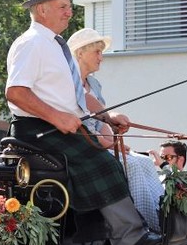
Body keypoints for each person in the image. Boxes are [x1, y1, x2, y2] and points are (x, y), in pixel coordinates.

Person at [5, 0, 161, 245]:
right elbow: (15, 92)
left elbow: (76, 92)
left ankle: (110, 242)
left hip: (59, 125)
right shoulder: (31, 43)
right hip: (37, 131)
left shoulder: (56, 44)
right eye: (63, 6)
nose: (69, 12)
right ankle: (129, 240)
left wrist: (107, 115)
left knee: (108, 161)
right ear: (42, 10)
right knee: (101, 164)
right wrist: (56, 117)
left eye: (69, 6)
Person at [68, 27, 165, 233]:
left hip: (100, 145)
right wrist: (107, 144)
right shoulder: (68, 82)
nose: (101, 58)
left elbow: (102, 120)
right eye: (97, 52)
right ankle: (145, 227)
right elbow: (80, 122)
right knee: (132, 166)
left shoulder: (94, 84)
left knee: (145, 161)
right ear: (80, 53)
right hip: (81, 146)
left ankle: (163, 216)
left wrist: (114, 139)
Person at [149, 139, 187, 245]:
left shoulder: (186, 180)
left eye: (168, 158)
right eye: (162, 157)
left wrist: (162, 165)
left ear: (181, 159)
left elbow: (177, 184)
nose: (163, 161)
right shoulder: (162, 178)